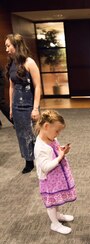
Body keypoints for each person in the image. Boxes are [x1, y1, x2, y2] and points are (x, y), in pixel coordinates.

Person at [34, 110, 77, 235]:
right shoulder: (40, 147)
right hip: (48, 180)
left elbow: (55, 150)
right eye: (57, 130)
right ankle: (55, 223)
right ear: (46, 127)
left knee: (56, 199)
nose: (58, 134)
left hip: (56, 177)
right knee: (51, 202)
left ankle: (57, 215)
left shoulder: (51, 138)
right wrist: (59, 157)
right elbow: (45, 167)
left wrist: (62, 150)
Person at [5, 33, 41, 173]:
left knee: (33, 134)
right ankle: (28, 161)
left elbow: (37, 86)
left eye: (8, 46)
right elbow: (11, 87)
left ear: (16, 46)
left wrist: (36, 108)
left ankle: (41, 160)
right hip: (16, 105)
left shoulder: (29, 62)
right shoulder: (12, 63)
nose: (6, 49)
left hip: (29, 105)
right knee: (21, 134)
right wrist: (11, 108)